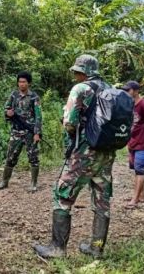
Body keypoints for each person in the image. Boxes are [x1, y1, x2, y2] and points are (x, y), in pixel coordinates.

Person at [34, 54, 115, 259]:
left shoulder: (81, 89)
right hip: (107, 152)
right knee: (102, 200)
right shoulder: (110, 89)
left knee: (62, 195)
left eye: (77, 71)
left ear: (83, 71)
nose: (75, 75)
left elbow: (70, 122)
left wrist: (73, 134)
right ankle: (97, 248)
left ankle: (57, 248)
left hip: (84, 152)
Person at [0, 71, 42, 192]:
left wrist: (37, 133)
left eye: (24, 82)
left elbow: (38, 116)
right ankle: (4, 181)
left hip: (30, 132)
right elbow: (6, 108)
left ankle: (33, 183)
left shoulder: (34, 97)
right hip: (16, 131)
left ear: (29, 83)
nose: (21, 84)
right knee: (10, 156)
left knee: (33, 158)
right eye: (20, 82)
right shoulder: (14, 95)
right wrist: (8, 113)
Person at [123, 81, 144, 209]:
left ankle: (134, 199)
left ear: (136, 91)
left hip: (142, 142)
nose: (126, 92)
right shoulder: (129, 104)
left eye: (129, 90)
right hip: (132, 142)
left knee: (139, 171)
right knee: (135, 169)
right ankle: (141, 195)